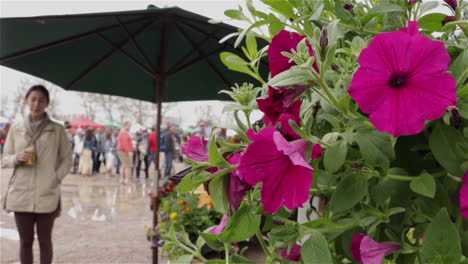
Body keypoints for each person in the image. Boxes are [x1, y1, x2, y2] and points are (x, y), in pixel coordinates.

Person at [1, 85, 72, 264]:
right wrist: (17, 158)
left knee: (45, 241)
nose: (36, 103)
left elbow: (66, 159)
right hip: (21, 193)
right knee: (25, 242)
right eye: (33, 99)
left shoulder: (57, 130)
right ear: (27, 101)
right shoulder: (16, 129)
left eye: (41, 100)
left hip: (46, 194)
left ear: (47, 103)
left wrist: (55, 178)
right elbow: (4, 159)